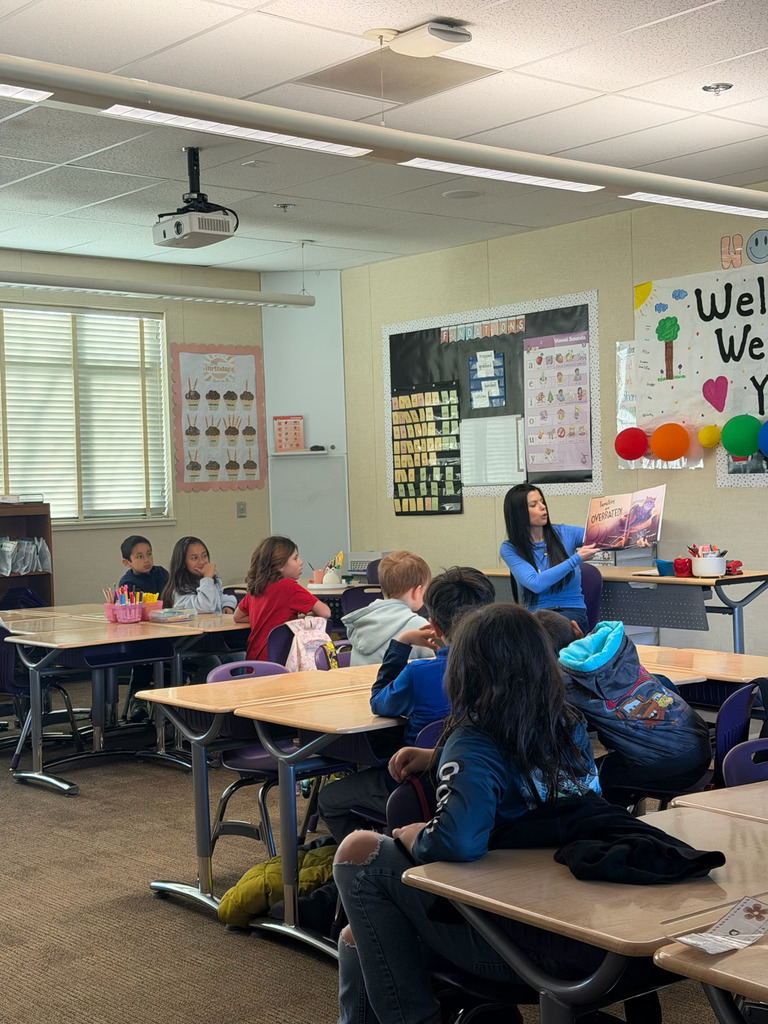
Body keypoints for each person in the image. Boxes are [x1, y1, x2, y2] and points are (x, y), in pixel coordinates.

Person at [332, 603, 605, 1024]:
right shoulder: (566, 723)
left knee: (359, 851)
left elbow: (457, 843)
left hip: (523, 946)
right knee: (357, 939)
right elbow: (523, 779)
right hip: (591, 932)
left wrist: (415, 836)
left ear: (465, 670)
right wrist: (440, 754)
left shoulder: (475, 739)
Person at [318, 566, 495, 844]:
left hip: (417, 787)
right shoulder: (503, 671)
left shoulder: (420, 673)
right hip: (484, 790)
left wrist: (400, 644)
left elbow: (379, 702)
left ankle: (373, 855)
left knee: (328, 798)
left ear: (433, 625)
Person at [534, 610, 712, 804]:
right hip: (701, 745)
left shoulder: (563, 683)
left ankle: (619, 822)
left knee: (588, 782)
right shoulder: (618, 651)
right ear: (577, 629)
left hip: (673, 765)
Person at [500, 482, 600, 633]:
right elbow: (535, 583)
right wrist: (576, 559)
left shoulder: (565, 533)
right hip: (536, 616)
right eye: (533, 504)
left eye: (542, 501)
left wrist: (636, 539)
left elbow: (606, 537)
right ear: (518, 513)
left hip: (572, 614)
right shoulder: (510, 548)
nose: (542, 507)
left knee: (548, 635)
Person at [233, 535, 331, 661]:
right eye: (295, 558)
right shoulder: (289, 586)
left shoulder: (256, 587)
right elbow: (325, 612)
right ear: (279, 564)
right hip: (280, 659)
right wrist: (306, 616)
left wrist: (266, 619)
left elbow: (238, 617)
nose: (300, 562)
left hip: (254, 659)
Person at [160, 537, 240, 682]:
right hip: (187, 645)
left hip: (211, 641)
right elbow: (205, 607)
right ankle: (193, 703)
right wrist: (207, 578)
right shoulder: (178, 590)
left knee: (241, 657)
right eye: (194, 558)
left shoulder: (210, 579)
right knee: (213, 664)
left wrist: (226, 605)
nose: (202, 561)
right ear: (183, 563)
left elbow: (221, 596)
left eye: (204, 555)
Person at [342, 550, 432, 666]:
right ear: (417, 591)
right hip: (394, 684)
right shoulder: (418, 625)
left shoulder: (362, 619)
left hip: (359, 684)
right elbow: (429, 668)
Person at [118, 536, 169, 722]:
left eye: (149, 554)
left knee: (169, 656)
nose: (146, 560)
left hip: (165, 629)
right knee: (144, 660)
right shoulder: (128, 583)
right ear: (127, 562)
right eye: (139, 556)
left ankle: (165, 703)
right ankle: (138, 700)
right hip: (140, 635)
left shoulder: (161, 574)